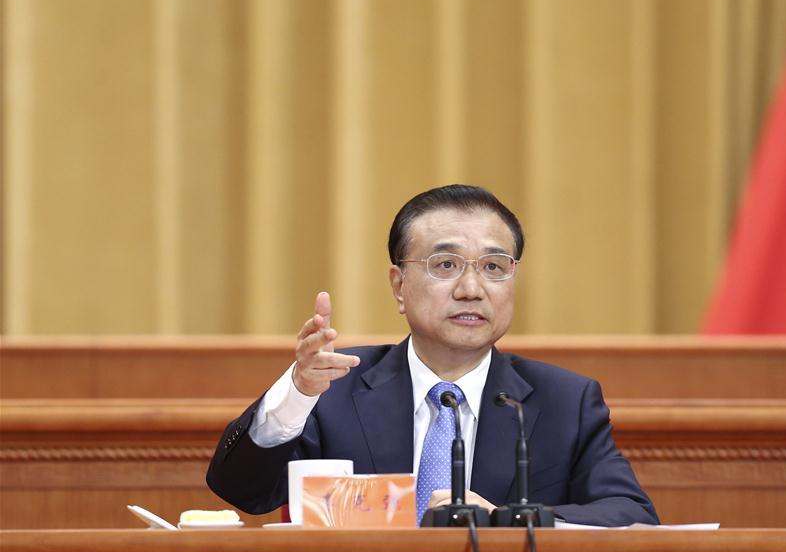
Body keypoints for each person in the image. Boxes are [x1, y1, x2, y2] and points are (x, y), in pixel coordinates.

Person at [207, 185, 658, 526]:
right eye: (445, 266)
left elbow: (631, 515)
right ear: (399, 285)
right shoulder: (332, 388)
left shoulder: (564, 402)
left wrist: (509, 522)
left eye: (494, 268)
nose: (471, 289)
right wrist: (296, 394)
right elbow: (241, 491)